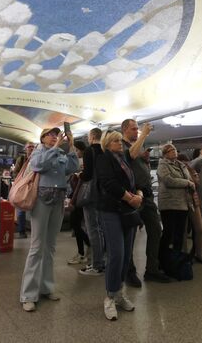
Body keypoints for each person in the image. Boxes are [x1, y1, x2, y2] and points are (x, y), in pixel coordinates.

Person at [20, 127, 79, 312]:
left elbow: (73, 168)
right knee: (37, 246)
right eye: (51, 135)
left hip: (58, 200)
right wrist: (54, 149)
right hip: (42, 200)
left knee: (51, 246)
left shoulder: (62, 152)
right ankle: (28, 294)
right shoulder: (39, 151)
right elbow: (38, 166)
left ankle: (46, 287)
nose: (55, 137)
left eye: (56, 134)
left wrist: (71, 147)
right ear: (43, 138)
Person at [96, 130, 140, 321]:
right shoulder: (104, 159)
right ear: (106, 143)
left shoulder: (124, 160)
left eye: (119, 140)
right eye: (114, 141)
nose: (119, 143)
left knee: (126, 254)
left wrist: (139, 195)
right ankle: (110, 296)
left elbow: (133, 182)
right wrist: (130, 198)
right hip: (111, 210)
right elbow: (109, 183)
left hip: (128, 212)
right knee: (117, 253)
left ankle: (119, 292)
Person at [121, 119, 171, 285]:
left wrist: (146, 161)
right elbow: (131, 155)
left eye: (138, 129)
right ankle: (129, 272)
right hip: (133, 196)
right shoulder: (121, 145)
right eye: (134, 129)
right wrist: (144, 134)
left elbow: (137, 160)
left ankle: (152, 269)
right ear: (124, 130)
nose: (136, 132)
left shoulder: (137, 145)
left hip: (147, 195)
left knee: (155, 230)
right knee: (131, 236)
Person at [157, 144, 194, 257]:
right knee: (169, 234)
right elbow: (169, 181)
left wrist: (190, 181)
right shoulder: (162, 165)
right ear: (165, 154)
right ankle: (163, 259)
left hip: (183, 204)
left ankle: (176, 260)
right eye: (170, 150)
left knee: (179, 234)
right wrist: (187, 183)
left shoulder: (181, 165)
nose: (173, 151)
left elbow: (189, 178)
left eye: (174, 149)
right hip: (169, 204)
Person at [79, 127, 105, 276]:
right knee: (100, 229)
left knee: (92, 229)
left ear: (92, 136)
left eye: (89, 136)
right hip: (102, 193)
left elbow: (88, 174)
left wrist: (80, 175)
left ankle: (97, 264)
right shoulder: (105, 150)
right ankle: (101, 260)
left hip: (91, 194)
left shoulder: (90, 150)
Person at [178, 153, 202, 264]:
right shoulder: (177, 169)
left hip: (194, 201)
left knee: (200, 229)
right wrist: (189, 182)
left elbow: (197, 183)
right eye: (183, 162)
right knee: (183, 231)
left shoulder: (190, 169)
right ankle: (184, 255)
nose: (185, 164)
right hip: (181, 202)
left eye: (186, 161)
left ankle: (198, 253)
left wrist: (192, 177)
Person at [67, 141, 91, 266]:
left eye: (77, 150)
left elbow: (79, 185)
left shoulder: (83, 164)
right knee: (76, 224)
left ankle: (84, 251)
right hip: (80, 198)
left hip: (79, 199)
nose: (76, 153)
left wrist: (72, 200)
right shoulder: (82, 163)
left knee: (75, 224)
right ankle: (85, 249)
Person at [14, 142, 35, 239]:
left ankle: (34, 229)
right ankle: (22, 230)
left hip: (33, 186)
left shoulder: (37, 158)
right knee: (21, 209)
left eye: (32, 147)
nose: (31, 148)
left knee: (35, 209)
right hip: (23, 186)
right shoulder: (21, 159)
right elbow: (16, 173)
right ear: (25, 149)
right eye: (29, 147)